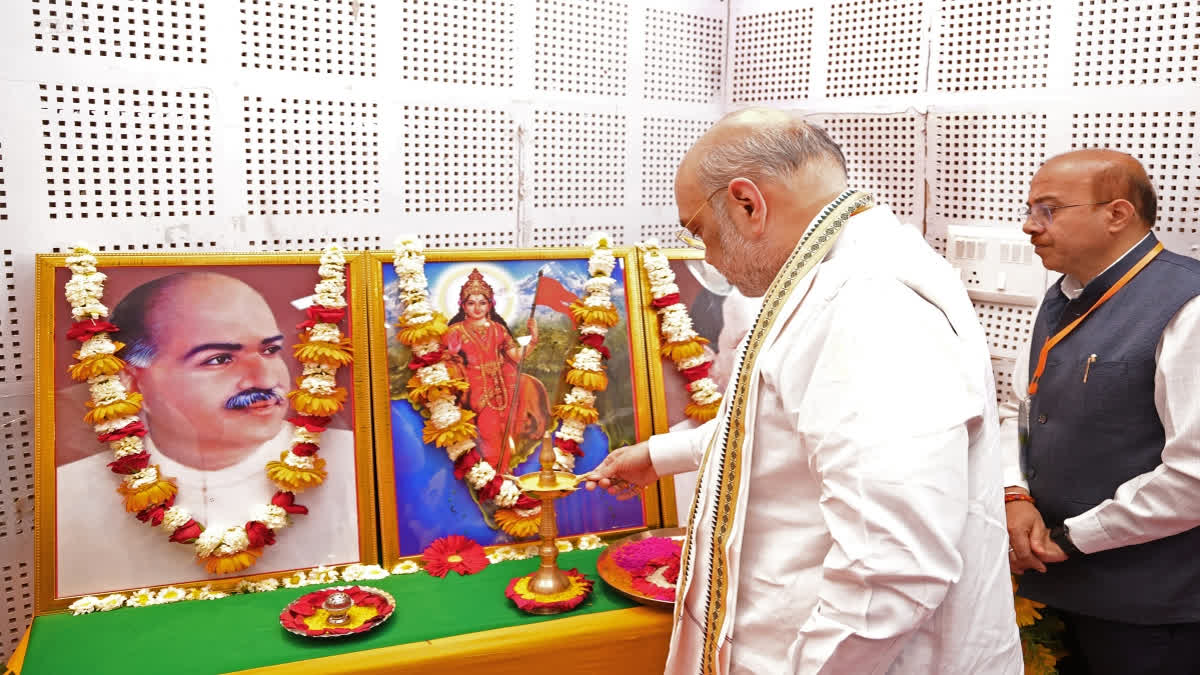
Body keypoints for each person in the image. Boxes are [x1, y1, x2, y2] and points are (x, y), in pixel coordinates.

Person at [585, 108, 1022, 674]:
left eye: (699, 231)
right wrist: (661, 455)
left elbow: (890, 570)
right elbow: (788, 426)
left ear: (747, 204)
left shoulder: (866, 301)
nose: (707, 257)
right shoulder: (841, 274)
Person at [1002, 149, 1200, 674]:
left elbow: (1194, 477)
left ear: (1116, 214)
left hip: (1149, 609)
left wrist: (1072, 538)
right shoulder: (1061, 297)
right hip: (1057, 584)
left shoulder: (1188, 305)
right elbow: (1020, 409)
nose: (1029, 226)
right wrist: (1013, 493)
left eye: (1047, 210)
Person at [56, 272, 360, 597]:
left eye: (270, 351)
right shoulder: (70, 497)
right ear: (131, 381)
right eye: (219, 359)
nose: (264, 379)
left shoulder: (355, 466)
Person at [442, 268, 549, 474]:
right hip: (475, 388)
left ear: (490, 304)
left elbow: (516, 355)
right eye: (471, 303)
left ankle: (505, 475)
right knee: (488, 432)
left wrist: (533, 339)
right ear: (463, 305)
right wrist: (452, 360)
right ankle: (494, 477)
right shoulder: (455, 331)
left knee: (506, 430)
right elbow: (444, 360)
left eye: (482, 303)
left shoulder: (498, 329)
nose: (477, 308)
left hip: (503, 385)